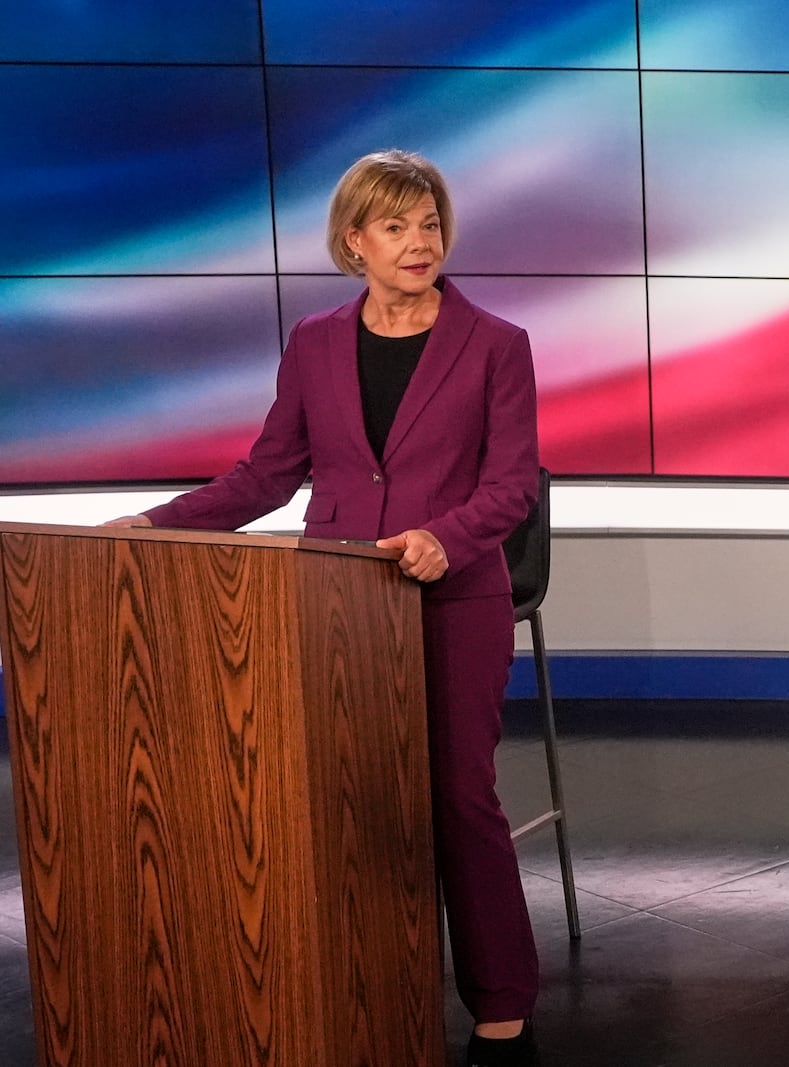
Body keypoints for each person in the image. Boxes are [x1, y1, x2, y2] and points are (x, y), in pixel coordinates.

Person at [105, 149, 543, 1067]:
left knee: (459, 796)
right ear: (356, 242)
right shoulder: (312, 342)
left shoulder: (498, 343)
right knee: (339, 802)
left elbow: (511, 489)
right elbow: (268, 473)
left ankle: (502, 1000)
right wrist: (152, 520)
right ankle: (357, 981)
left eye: (430, 224)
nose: (420, 242)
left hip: (452, 595)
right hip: (332, 597)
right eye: (397, 226)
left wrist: (445, 537)